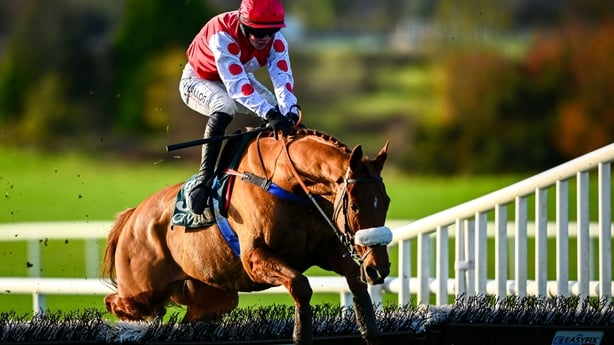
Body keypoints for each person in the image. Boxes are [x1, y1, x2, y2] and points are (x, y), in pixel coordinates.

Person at [178, 0, 300, 220]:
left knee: (277, 110)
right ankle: (204, 182)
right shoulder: (222, 34)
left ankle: (271, 173)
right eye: (257, 32)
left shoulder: (277, 42)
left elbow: (283, 79)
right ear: (243, 24)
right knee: (224, 106)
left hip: (235, 79)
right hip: (198, 79)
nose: (264, 38)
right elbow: (237, 88)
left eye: (271, 32)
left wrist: (289, 111)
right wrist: (271, 115)